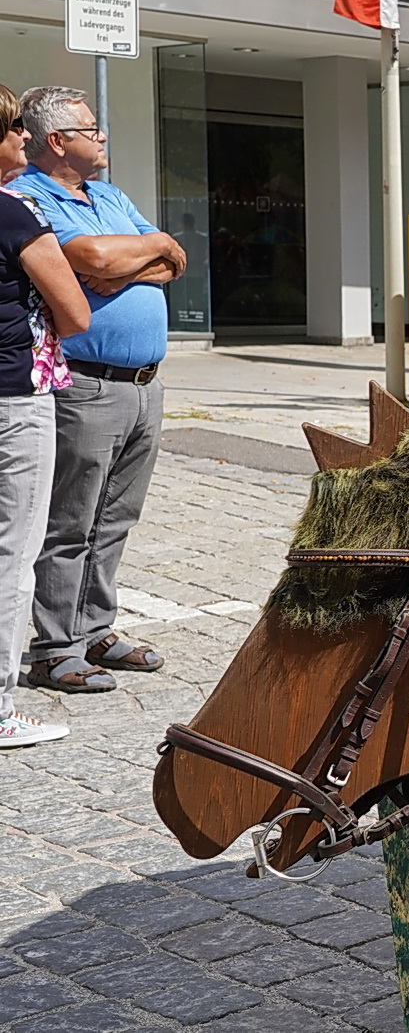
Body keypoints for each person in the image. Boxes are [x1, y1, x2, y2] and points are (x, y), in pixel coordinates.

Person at [8, 85, 184, 694]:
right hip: (86, 384)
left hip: (144, 384)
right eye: (91, 128)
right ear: (57, 140)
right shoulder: (30, 195)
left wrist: (135, 258)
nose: (103, 135)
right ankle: (56, 648)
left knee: (115, 517)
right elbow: (92, 257)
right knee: (71, 520)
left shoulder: (108, 195)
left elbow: (174, 260)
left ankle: (95, 630)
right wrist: (137, 253)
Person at [0, 85, 88, 745]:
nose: (24, 136)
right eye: (13, 128)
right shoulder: (15, 213)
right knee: (13, 550)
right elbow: (75, 313)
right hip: (14, 400)